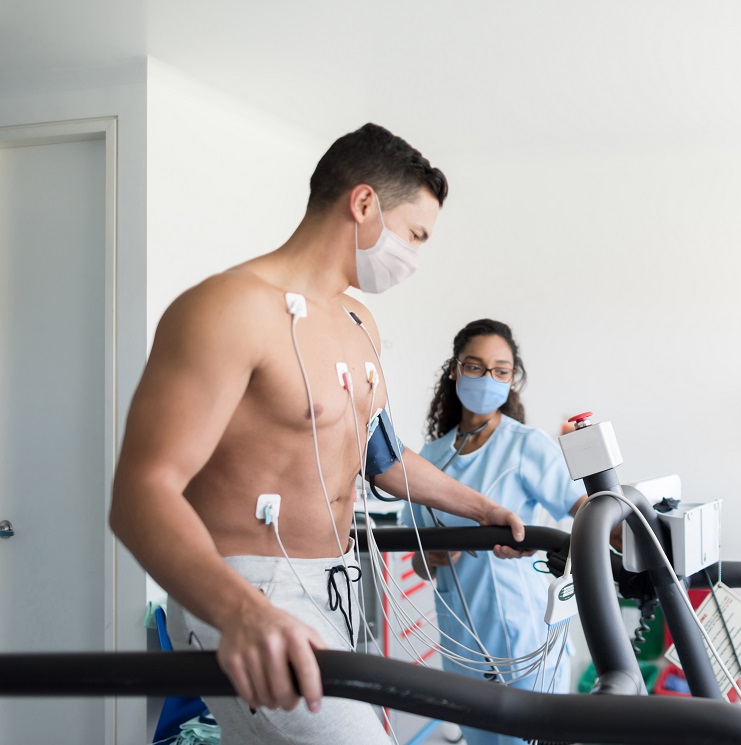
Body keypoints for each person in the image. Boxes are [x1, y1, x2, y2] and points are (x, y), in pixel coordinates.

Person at [109, 124, 527, 744]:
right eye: (414, 235)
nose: (414, 256)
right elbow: (141, 494)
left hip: (337, 583)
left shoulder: (358, 321)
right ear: (363, 205)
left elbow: (382, 459)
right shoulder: (228, 309)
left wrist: (483, 511)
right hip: (251, 589)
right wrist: (241, 611)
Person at [400, 319, 585, 745]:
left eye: (501, 370)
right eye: (476, 366)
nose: (488, 378)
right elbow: (417, 560)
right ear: (454, 370)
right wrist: (432, 557)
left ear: (512, 379)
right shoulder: (426, 460)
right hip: (461, 638)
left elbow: (584, 511)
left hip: (527, 633)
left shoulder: (526, 446)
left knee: (533, 735)